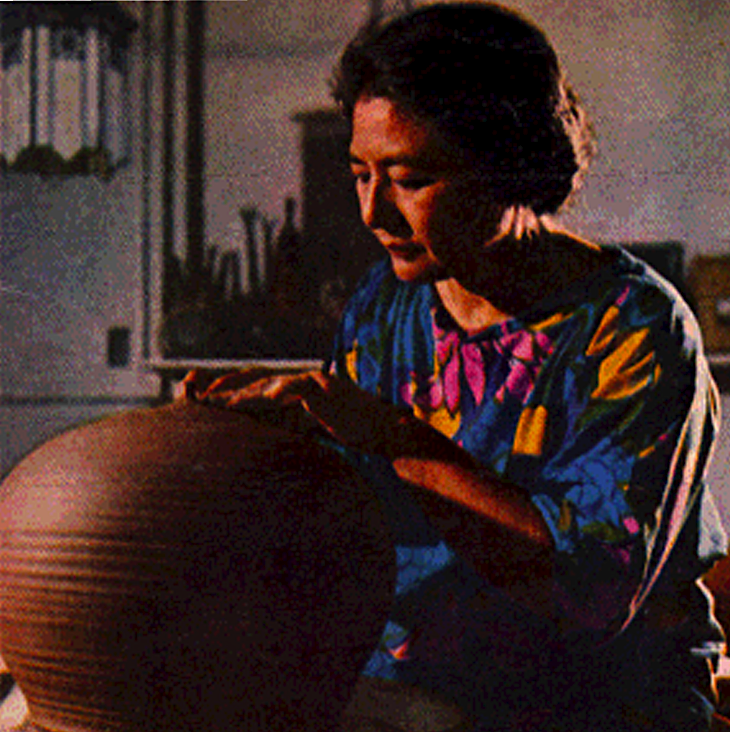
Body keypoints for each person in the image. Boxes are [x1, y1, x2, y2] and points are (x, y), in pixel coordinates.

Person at [183, 3, 728, 730]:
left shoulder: (634, 332)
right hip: (417, 686)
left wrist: (398, 441)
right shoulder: (387, 307)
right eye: (359, 174)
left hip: (599, 701)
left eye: (408, 178)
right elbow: (348, 513)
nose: (374, 212)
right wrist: (264, 444)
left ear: (510, 164)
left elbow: (592, 593)